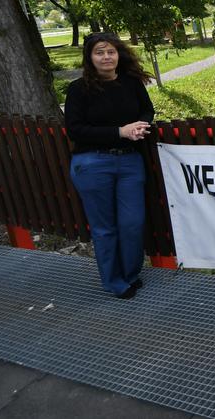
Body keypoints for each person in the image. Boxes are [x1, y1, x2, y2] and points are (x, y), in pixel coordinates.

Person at [65, 33, 154, 299]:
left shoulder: (132, 83)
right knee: (105, 228)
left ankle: (130, 274)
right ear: (90, 58)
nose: (106, 57)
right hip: (92, 164)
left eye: (111, 51)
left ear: (119, 54)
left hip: (130, 162)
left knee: (132, 222)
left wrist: (140, 125)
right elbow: (75, 130)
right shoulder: (79, 89)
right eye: (99, 52)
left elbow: (147, 110)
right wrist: (120, 132)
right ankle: (114, 281)